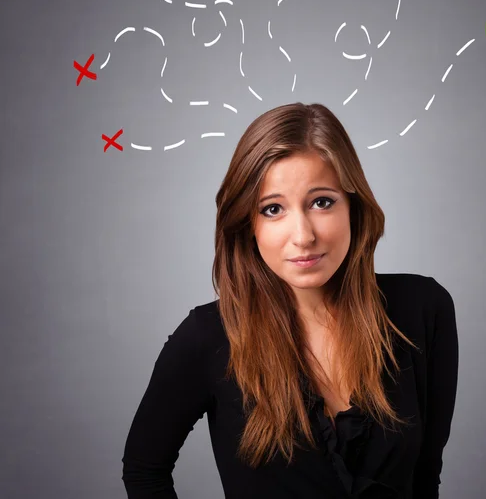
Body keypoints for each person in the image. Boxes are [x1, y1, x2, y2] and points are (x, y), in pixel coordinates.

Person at [121, 102, 459, 498]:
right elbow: (145, 471)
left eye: (321, 202)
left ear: (354, 205)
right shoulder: (207, 338)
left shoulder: (421, 310)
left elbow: (425, 477)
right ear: (248, 224)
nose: (302, 235)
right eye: (273, 209)